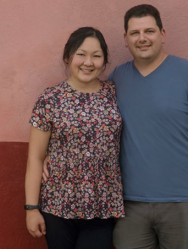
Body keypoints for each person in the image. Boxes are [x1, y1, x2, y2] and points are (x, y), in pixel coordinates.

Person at [109, 4, 188, 249]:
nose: (142, 39)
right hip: (128, 205)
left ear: (162, 34)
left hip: (182, 202)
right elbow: (90, 125)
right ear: (126, 38)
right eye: (135, 33)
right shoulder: (116, 78)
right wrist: (50, 156)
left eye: (149, 31)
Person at [25, 27, 124, 249]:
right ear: (68, 56)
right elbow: (35, 158)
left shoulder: (114, 94)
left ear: (104, 61)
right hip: (58, 205)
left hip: (101, 207)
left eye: (96, 56)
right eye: (81, 54)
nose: (88, 62)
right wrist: (31, 209)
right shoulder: (49, 99)